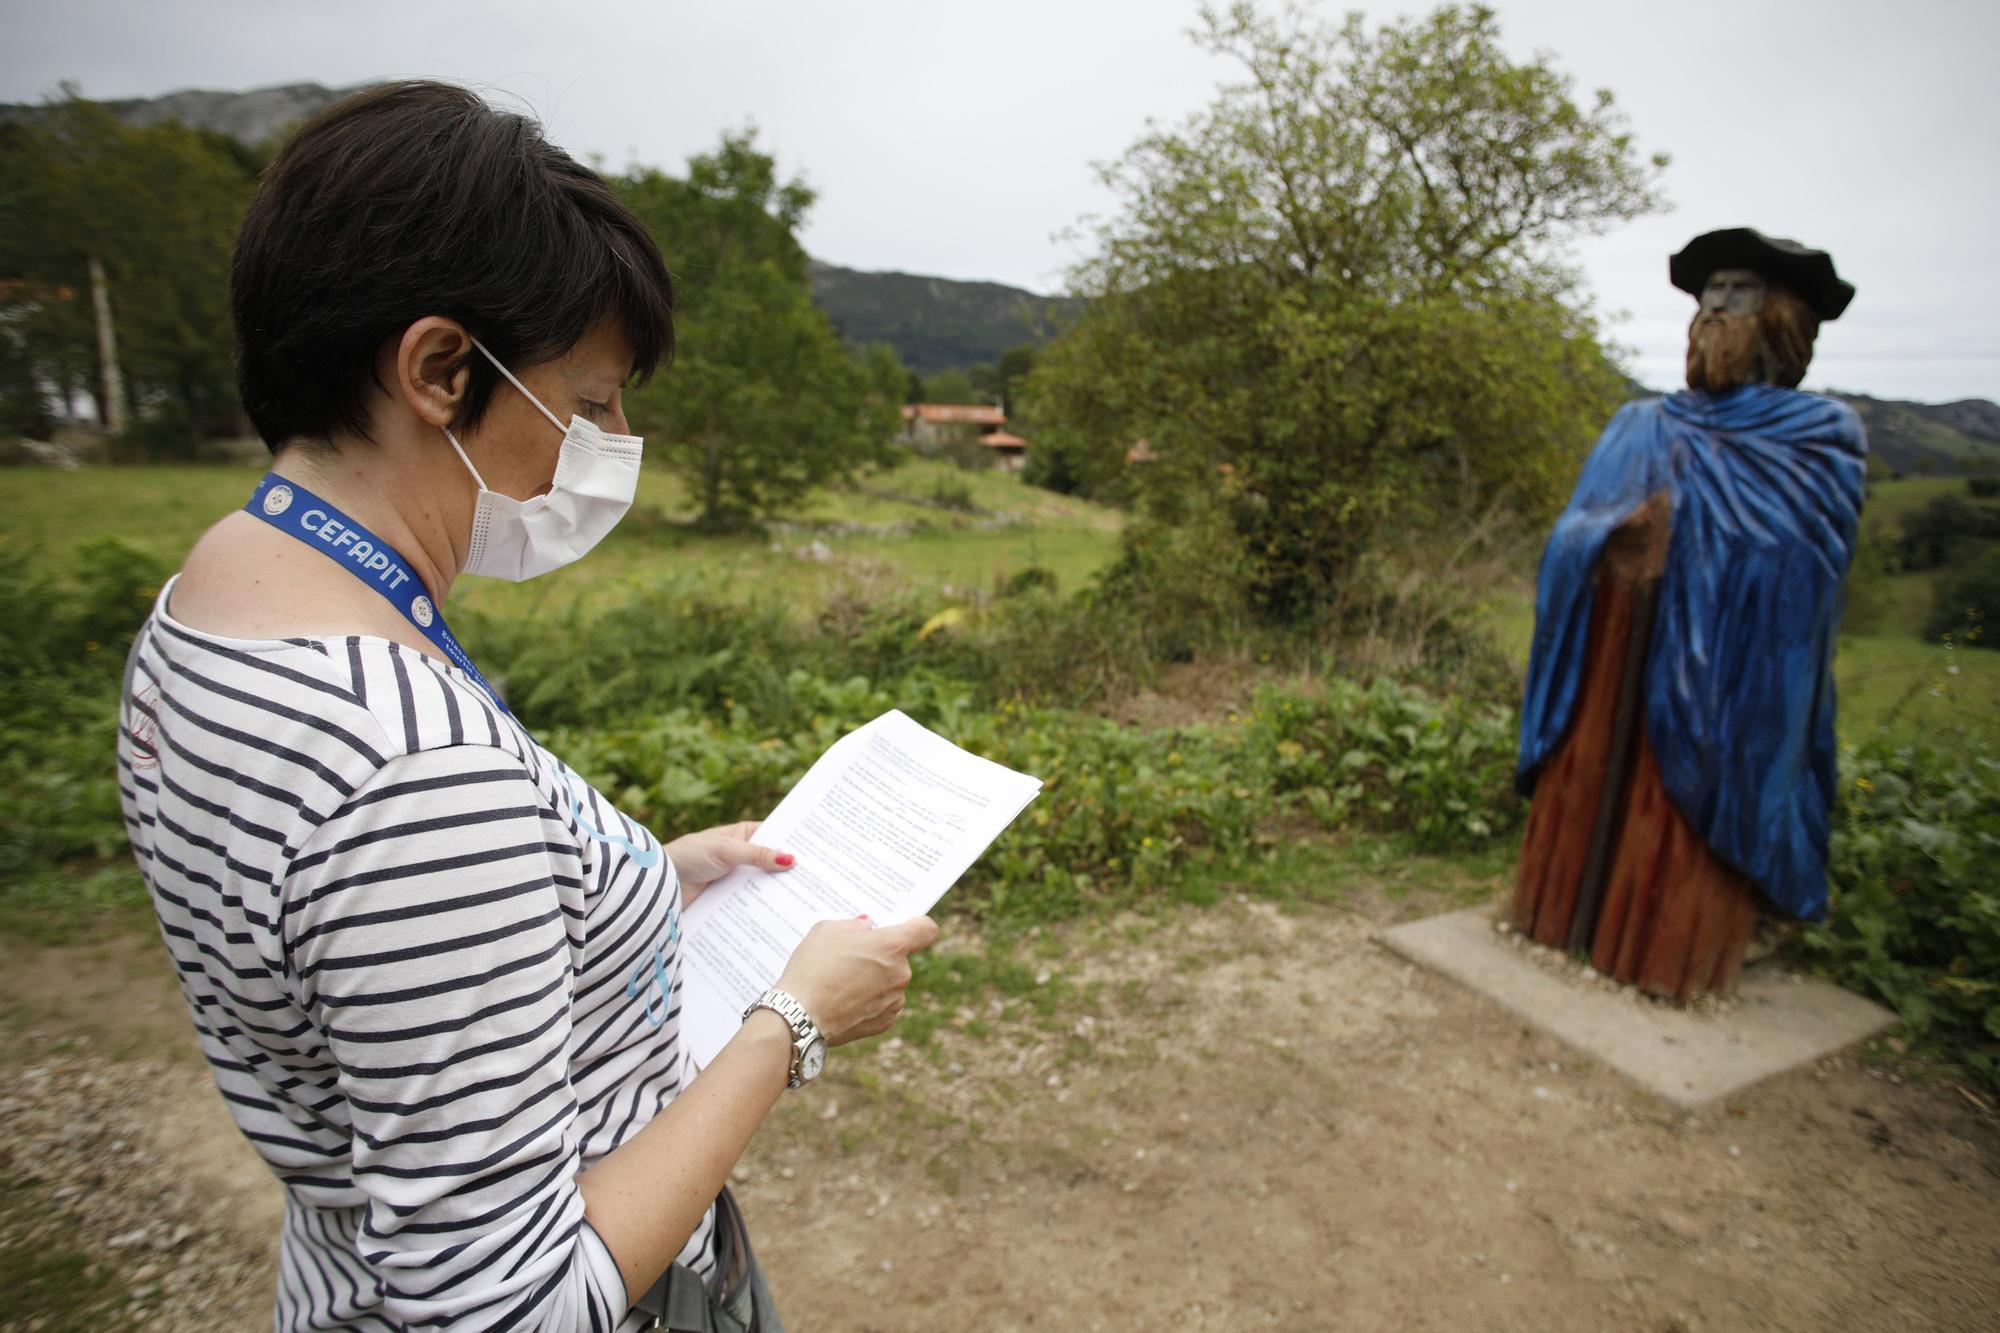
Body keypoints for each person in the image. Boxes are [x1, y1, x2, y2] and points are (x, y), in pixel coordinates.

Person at [115, 80, 937, 1332]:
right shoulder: (406, 770)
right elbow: (514, 1308)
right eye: (594, 403)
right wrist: (790, 1021)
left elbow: (372, 954)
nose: (612, 443)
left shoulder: (210, 608)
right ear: (441, 369)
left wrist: (648, 877)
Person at [1511, 227, 1864, 1000]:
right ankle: (1560, 917)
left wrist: (1690, 541)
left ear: (1784, 318)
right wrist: (1607, 536)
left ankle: (1680, 949)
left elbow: (1804, 573)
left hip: (1735, 685)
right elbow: (1572, 534)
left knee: (1690, 847)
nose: (1716, 310)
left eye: (1741, 294)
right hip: (1611, 682)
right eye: (1711, 293)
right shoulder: (1641, 424)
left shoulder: (1821, 437)